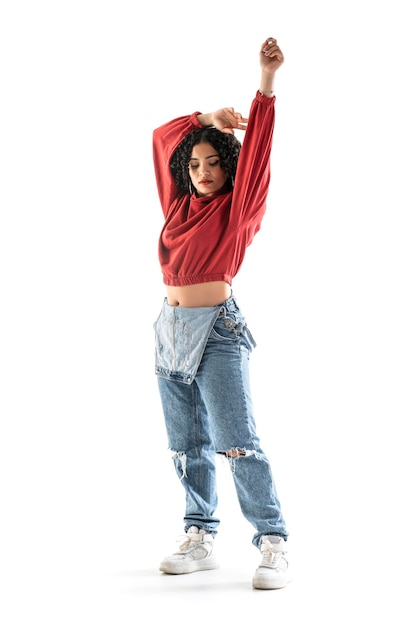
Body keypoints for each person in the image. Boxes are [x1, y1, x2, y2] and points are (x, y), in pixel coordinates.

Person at [152, 37, 289, 590]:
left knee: (237, 441)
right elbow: (162, 140)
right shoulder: (178, 205)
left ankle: (273, 540)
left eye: (214, 162)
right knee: (185, 443)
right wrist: (206, 118)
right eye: (196, 164)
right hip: (169, 330)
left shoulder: (237, 212)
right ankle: (200, 534)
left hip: (217, 332)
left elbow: (257, 156)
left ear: (229, 169)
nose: (203, 171)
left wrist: (265, 81)